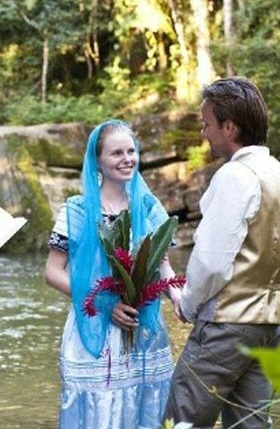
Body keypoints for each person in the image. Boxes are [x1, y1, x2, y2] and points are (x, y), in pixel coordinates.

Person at [165, 77, 280, 428]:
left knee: (181, 419)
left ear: (229, 127)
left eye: (207, 124)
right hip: (270, 327)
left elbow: (211, 262)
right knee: (252, 425)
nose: (203, 132)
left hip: (226, 327)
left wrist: (187, 303)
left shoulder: (236, 175)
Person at [44, 119, 183, 429]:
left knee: (146, 408)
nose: (127, 159)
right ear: (98, 161)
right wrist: (106, 304)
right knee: (100, 412)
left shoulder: (147, 206)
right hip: (94, 328)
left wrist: (176, 294)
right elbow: (52, 273)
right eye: (116, 153)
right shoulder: (77, 210)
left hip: (144, 327)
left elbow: (163, 265)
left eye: (131, 151)